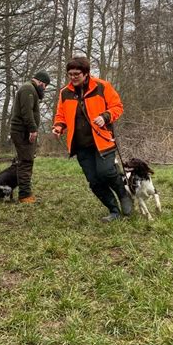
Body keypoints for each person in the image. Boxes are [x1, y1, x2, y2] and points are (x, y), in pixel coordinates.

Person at [52, 57, 133, 222]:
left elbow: (117, 106)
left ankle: (124, 195)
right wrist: (58, 126)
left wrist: (105, 116)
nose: (73, 77)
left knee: (106, 172)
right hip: (81, 145)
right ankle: (114, 211)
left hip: (103, 140)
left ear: (86, 73)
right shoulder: (65, 93)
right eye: (70, 74)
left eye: (77, 74)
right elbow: (61, 115)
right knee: (94, 181)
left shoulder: (102, 86)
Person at [10, 71, 51, 203]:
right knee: (26, 162)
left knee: (25, 161)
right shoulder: (28, 88)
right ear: (41, 82)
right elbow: (26, 112)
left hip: (23, 131)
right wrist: (33, 130)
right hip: (23, 131)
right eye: (45, 86)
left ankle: (25, 193)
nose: (44, 89)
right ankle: (25, 195)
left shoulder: (30, 89)